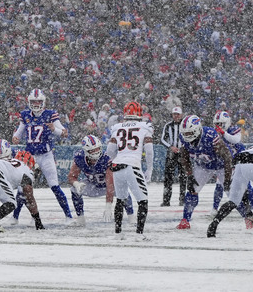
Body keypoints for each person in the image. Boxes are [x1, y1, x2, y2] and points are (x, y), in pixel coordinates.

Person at [177, 115, 249, 230]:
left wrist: (227, 178)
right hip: (203, 166)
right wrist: (189, 175)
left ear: (197, 130)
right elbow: (184, 156)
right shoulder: (183, 137)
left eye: (189, 133)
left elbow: (227, 157)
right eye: (184, 133)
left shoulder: (210, 135)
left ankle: (248, 218)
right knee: (192, 189)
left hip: (221, 166)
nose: (186, 136)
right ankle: (185, 220)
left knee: (232, 193)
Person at [11, 88, 72, 222]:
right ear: (29, 101)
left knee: (54, 186)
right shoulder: (26, 115)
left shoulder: (50, 114)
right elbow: (18, 133)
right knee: (23, 189)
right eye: (34, 101)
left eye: (39, 101)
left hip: (46, 155)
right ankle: (15, 217)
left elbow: (64, 133)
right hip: (30, 157)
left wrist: (54, 129)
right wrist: (15, 137)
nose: (36, 104)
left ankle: (68, 216)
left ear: (43, 102)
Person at [104, 101, 153, 237]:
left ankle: (118, 233)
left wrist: (114, 160)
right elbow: (149, 150)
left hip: (118, 166)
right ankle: (139, 234)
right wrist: (149, 168)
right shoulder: (145, 126)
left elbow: (110, 150)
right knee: (142, 201)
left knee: (120, 200)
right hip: (133, 165)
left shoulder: (117, 127)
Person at [67, 134, 132, 226]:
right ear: (86, 151)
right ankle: (81, 219)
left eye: (97, 149)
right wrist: (76, 184)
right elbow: (71, 176)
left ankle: (132, 218)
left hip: (109, 186)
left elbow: (110, 184)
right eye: (92, 150)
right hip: (93, 185)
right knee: (74, 190)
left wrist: (108, 205)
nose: (96, 152)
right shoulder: (80, 157)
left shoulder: (106, 158)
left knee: (124, 191)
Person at [212, 110, 253, 215]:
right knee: (220, 184)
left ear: (226, 122)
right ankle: (214, 208)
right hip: (227, 162)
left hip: (240, 160)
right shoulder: (214, 134)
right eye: (216, 124)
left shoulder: (234, 129)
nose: (218, 126)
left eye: (220, 124)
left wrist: (223, 133)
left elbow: (235, 140)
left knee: (246, 184)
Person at [159, 106, 186, 206]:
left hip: (183, 153)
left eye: (177, 114)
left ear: (181, 115)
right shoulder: (168, 126)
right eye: (174, 114)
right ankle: (166, 200)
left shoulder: (185, 125)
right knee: (168, 177)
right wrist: (171, 147)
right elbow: (162, 139)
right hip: (171, 154)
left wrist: (184, 147)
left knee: (183, 177)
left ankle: (182, 199)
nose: (176, 116)